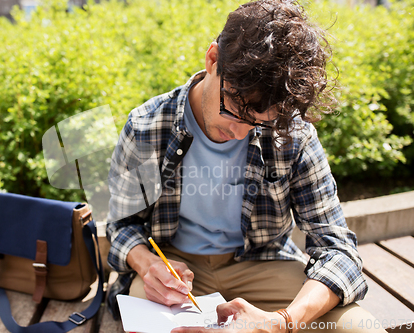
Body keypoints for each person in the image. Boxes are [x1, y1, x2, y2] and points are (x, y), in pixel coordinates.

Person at [106, 0, 386, 332]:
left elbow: (338, 248)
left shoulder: (293, 135)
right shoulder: (147, 127)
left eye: (258, 124)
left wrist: (282, 322)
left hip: (262, 264)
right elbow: (123, 226)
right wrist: (148, 264)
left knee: (361, 327)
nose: (239, 132)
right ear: (212, 59)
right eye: (234, 110)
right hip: (177, 272)